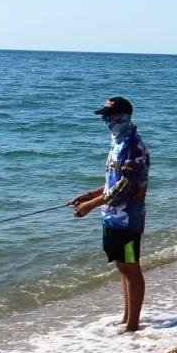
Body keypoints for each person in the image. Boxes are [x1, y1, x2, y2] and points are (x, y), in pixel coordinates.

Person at [70, 97, 151, 334]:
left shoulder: (132, 145)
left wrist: (92, 205)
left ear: (125, 117)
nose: (107, 121)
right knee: (122, 268)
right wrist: (88, 195)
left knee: (131, 269)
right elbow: (110, 183)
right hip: (111, 217)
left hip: (128, 221)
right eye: (105, 117)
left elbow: (123, 187)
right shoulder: (118, 142)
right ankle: (127, 317)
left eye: (111, 117)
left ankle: (134, 325)